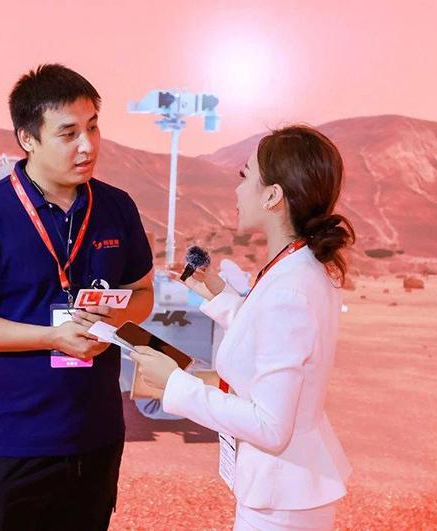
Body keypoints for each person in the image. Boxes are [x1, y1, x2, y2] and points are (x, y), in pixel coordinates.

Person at [0, 64, 155, 531]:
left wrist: (110, 319)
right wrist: (52, 337)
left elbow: (142, 294)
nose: (88, 145)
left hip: (96, 437)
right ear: (28, 139)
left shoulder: (117, 207)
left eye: (93, 127)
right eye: (69, 134)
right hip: (11, 442)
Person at [131, 125, 354, 531]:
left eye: (245, 176)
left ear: (272, 196)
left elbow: (269, 426)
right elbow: (271, 336)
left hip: (280, 501)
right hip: (286, 491)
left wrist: (175, 383)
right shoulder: (298, 266)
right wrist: (218, 295)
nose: (236, 190)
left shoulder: (289, 287)